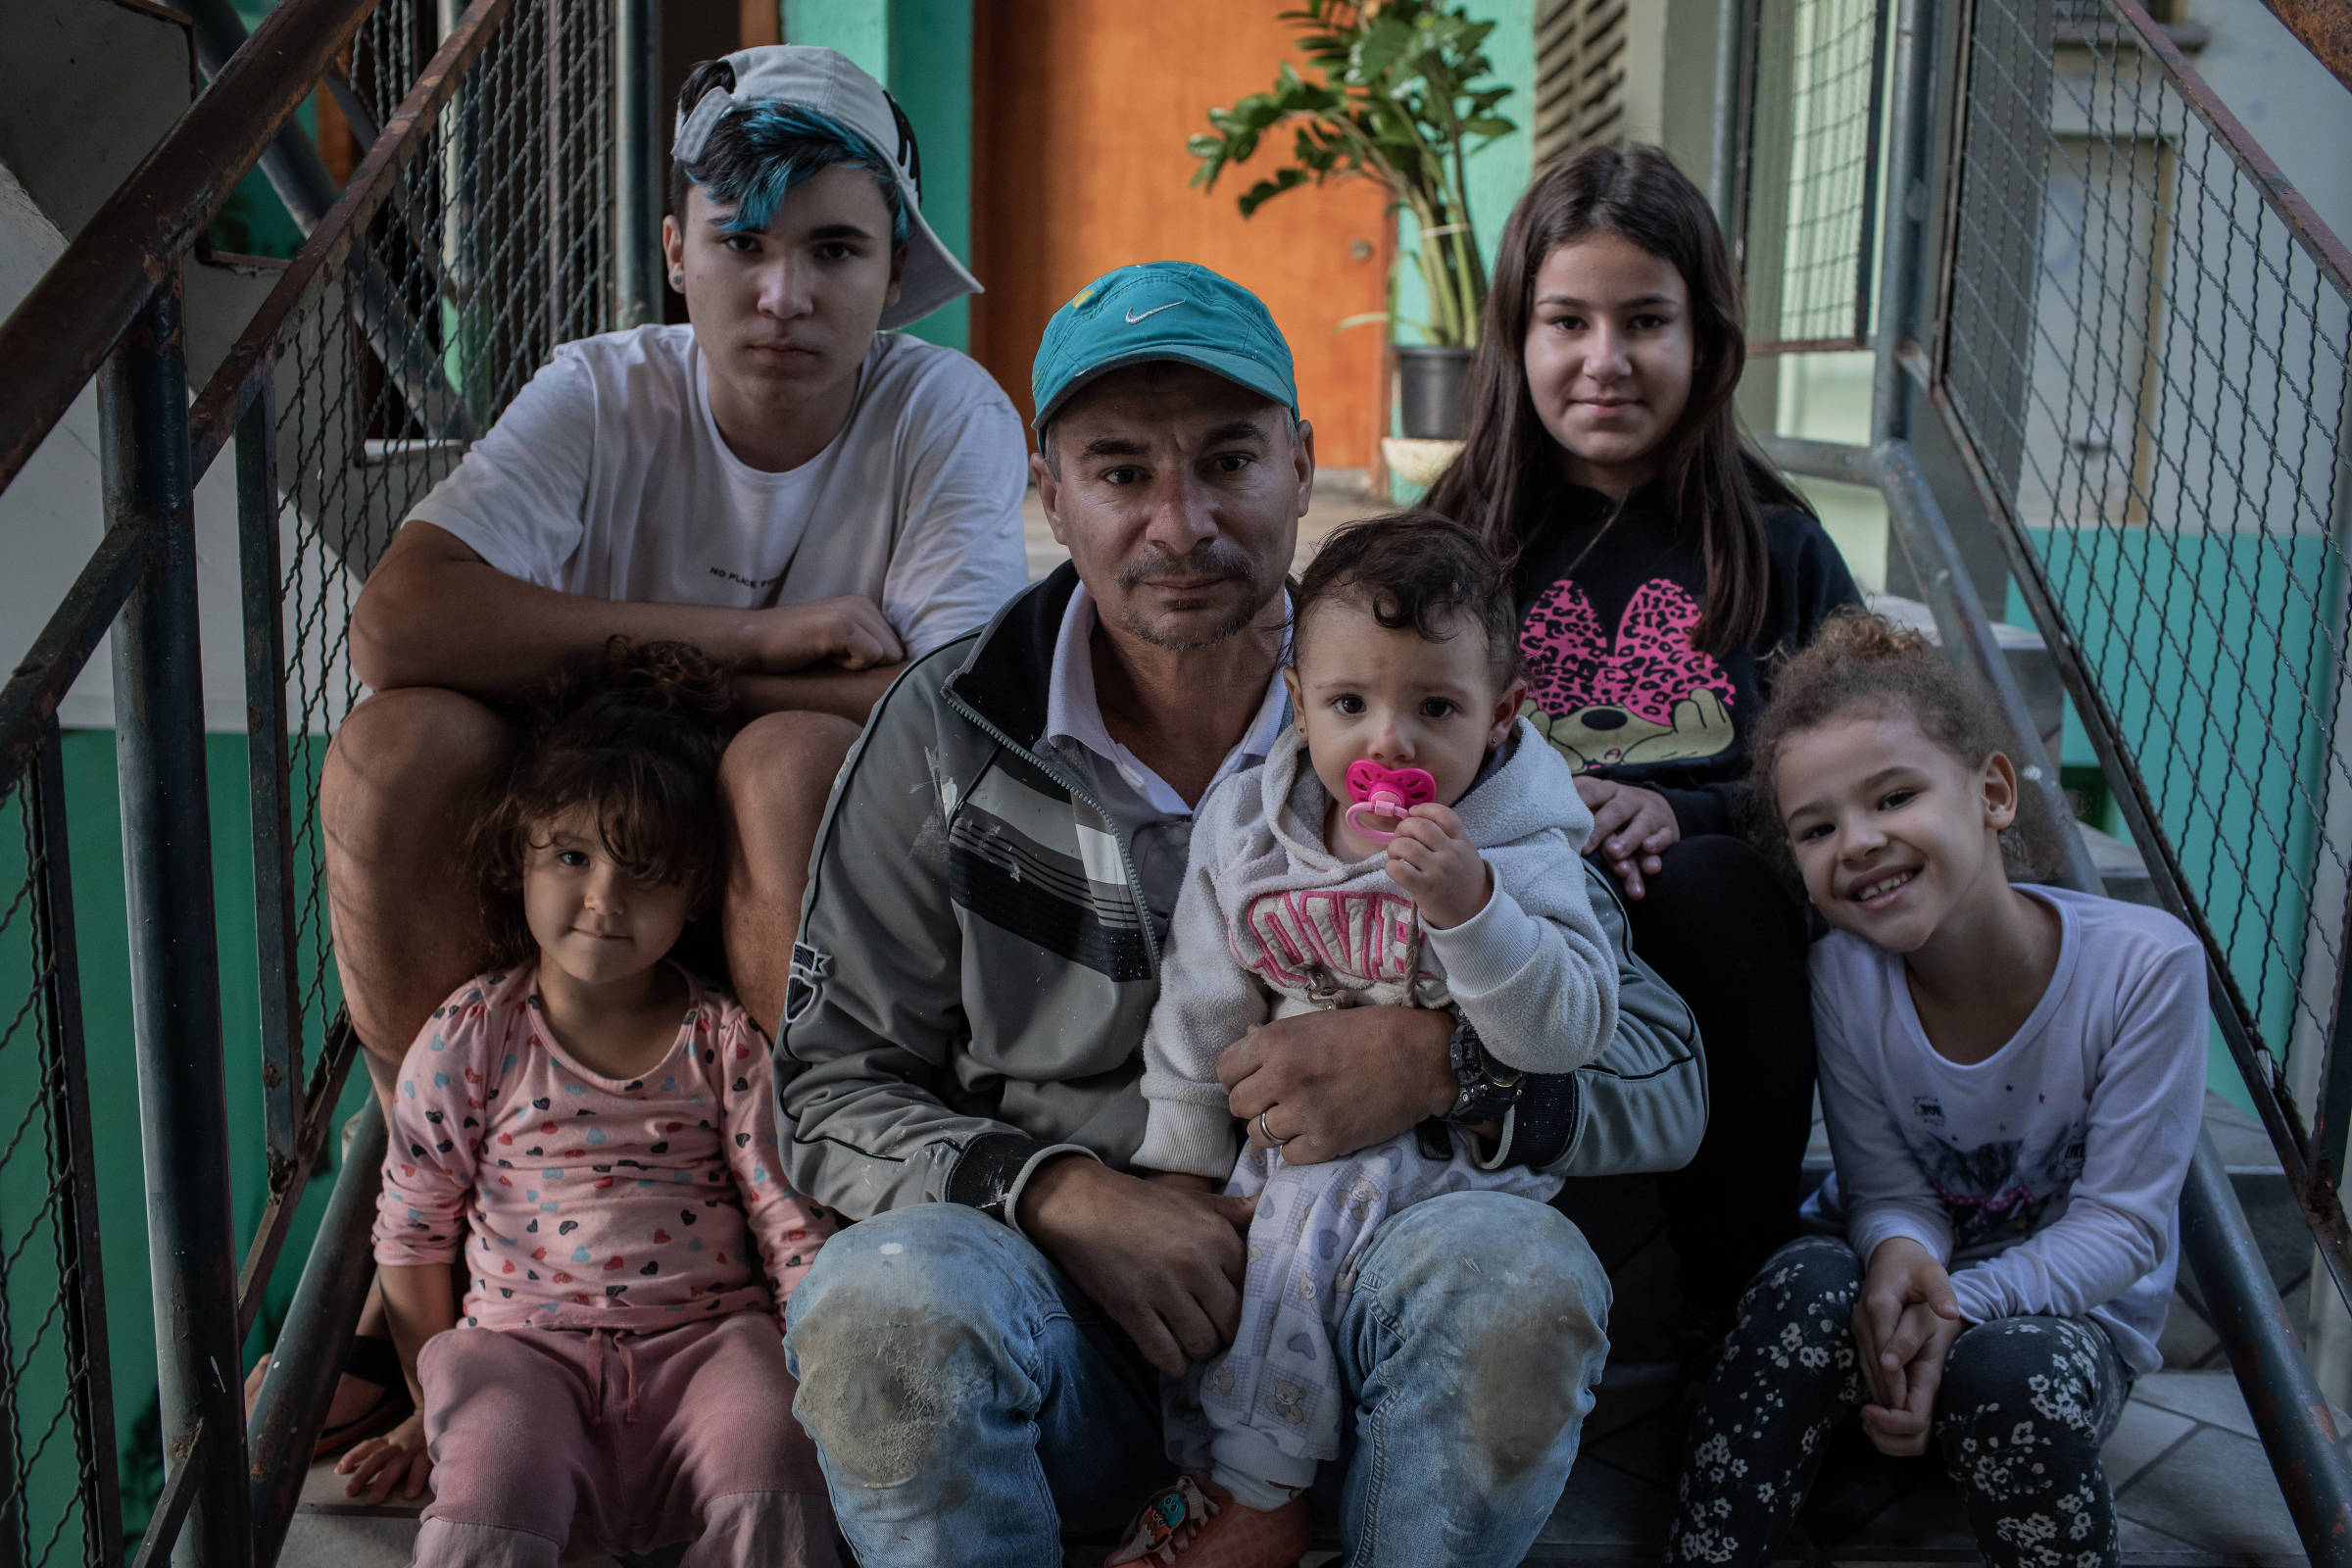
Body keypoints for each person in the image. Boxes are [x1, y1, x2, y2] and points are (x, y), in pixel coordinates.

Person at [774, 260, 1706, 1567]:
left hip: (1367, 1291)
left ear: (1302, 463)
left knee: (1516, 1284)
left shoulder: (1428, 727)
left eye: (1227, 461)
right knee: (881, 1302)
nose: (1182, 522)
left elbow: (1664, 1072)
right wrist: (1066, 1198)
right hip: (1066, 1323)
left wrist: (1439, 1065)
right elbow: (825, 1092)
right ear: (1053, 494)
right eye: (1119, 473)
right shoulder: (953, 731)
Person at [303, 44, 1025, 1448]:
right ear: (675, 249)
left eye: (834, 249)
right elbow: (400, 628)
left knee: (782, 775)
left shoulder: (942, 412)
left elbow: (959, 712)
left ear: (891, 271)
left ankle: (823, 1268)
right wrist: (760, 648)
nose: (783, 294)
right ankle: (443, 1260)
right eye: (743, 242)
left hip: (805, 904)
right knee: (396, 755)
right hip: (588, 876)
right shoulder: (603, 390)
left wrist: (646, 693)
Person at [1111, 514, 1620, 1566]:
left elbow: (1569, 1029)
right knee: (1241, 1299)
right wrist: (1180, 1172)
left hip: (1446, 1189)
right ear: (1297, 704)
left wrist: (1474, 911)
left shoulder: (1516, 841)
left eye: (1436, 708)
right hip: (1286, 1164)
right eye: (1350, 704)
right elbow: (1200, 1012)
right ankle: (1249, 1495)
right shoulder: (1251, 833)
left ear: (1502, 716)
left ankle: (1263, 1494)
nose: (1389, 743)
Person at [1426, 142, 1863, 1340]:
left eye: (1646, 321)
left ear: (1707, 340)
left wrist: (1690, 811)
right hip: (1501, 911)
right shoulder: (1445, 548)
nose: (1605, 360)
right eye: (1568, 320)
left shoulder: (1779, 551)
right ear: (1516, 336)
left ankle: (1745, 1318)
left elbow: (1853, 772)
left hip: (1701, 910)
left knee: (1722, 882)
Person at [1666, 611, 2205, 1568]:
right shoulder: (1844, 973)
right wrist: (1897, 1264)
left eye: (1894, 797)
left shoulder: (2145, 968)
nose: (1860, 842)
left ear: (1993, 792)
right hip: (1902, 1281)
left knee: (2011, 1367)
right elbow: (1888, 1188)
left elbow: (2125, 1225)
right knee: (1801, 1283)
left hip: (2061, 1315)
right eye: (1818, 828)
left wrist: (1957, 1304)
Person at [337, 640, 840, 1567]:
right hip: (519, 1350)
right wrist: (426, 1405)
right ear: (518, 860)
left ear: (691, 896)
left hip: (706, 1345)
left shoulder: (723, 1041)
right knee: (491, 1480)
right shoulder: (473, 1035)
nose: (604, 898)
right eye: (571, 856)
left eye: (644, 871)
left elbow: (786, 1225)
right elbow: (413, 1227)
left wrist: (826, 1369)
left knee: (775, 1454)